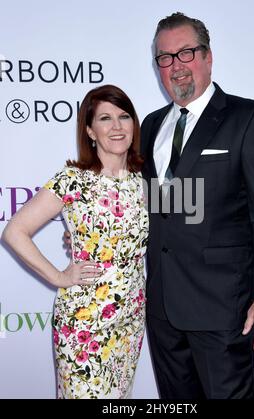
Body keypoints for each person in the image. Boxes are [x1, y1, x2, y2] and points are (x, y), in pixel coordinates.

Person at [140, 12, 254, 399]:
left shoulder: (249, 118)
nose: (176, 66)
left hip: (222, 307)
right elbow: (153, 209)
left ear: (208, 56)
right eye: (165, 58)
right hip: (162, 308)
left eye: (186, 53)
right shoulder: (151, 126)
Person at [1, 84, 149, 399]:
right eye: (105, 119)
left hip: (130, 320)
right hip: (84, 322)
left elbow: (188, 218)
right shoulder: (73, 180)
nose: (117, 127)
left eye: (124, 116)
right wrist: (59, 276)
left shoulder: (147, 180)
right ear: (90, 131)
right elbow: (15, 231)